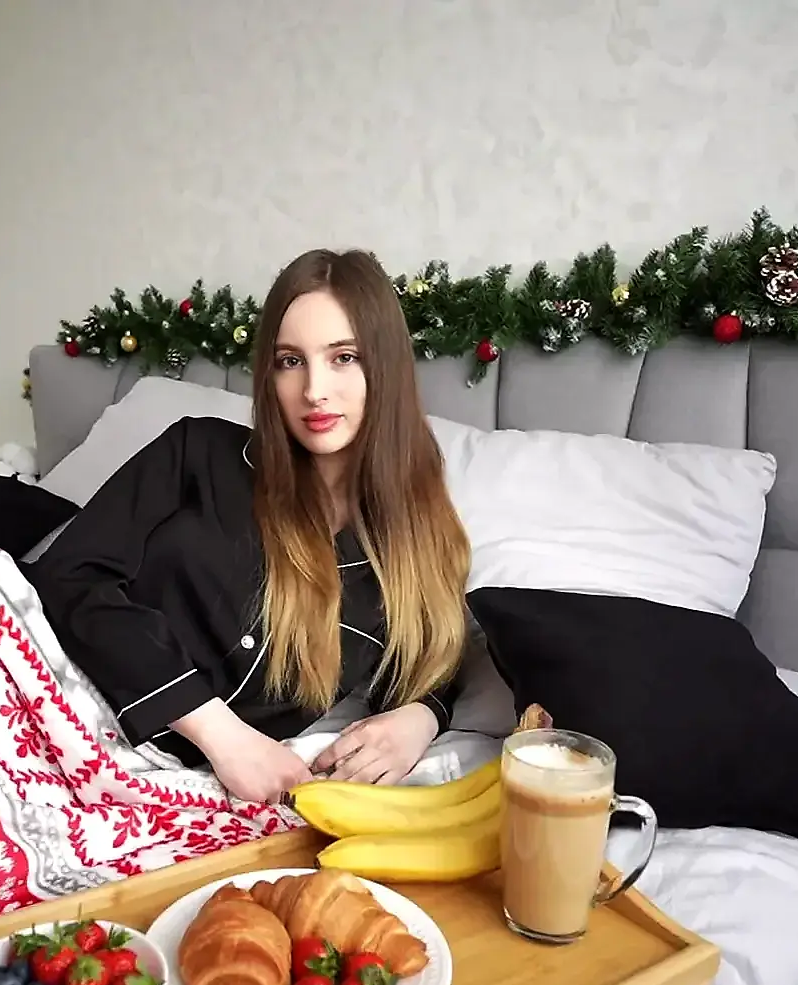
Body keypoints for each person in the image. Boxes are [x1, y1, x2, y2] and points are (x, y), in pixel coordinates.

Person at [24, 249, 473, 804]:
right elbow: (67, 575)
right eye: (290, 360)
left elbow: (439, 657)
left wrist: (421, 719)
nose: (314, 389)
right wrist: (220, 733)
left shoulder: (412, 548)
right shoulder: (195, 453)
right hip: (36, 682)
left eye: (343, 357)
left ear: (386, 368)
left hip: (131, 779)